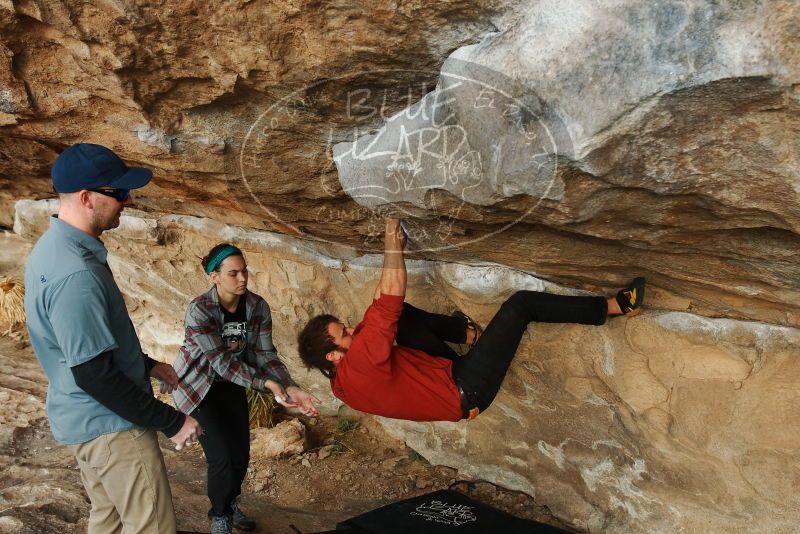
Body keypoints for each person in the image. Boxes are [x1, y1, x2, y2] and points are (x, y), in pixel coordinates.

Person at [298, 218, 645, 422]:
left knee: (396, 321)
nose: (350, 328)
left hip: (444, 377)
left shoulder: (341, 381)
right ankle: (613, 307)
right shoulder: (360, 365)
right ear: (334, 355)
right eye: (343, 332)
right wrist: (392, 243)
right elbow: (390, 296)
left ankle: (466, 334)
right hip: (467, 391)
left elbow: (379, 309)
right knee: (520, 305)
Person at [24, 143, 203, 534]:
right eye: (118, 192)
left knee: (109, 520)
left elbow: (89, 343)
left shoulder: (51, 249)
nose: (129, 199)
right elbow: (93, 373)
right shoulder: (77, 275)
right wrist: (171, 421)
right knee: (150, 526)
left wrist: (151, 366)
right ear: (88, 198)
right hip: (110, 427)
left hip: (82, 421)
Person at [173, 243, 321, 534]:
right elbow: (220, 362)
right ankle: (220, 516)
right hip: (198, 389)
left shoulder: (256, 307)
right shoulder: (200, 310)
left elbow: (265, 354)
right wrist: (265, 383)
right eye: (233, 273)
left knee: (241, 456)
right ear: (214, 277)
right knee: (222, 457)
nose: (242, 278)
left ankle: (230, 503)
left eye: (244, 271)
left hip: (231, 385)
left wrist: (289, 387)